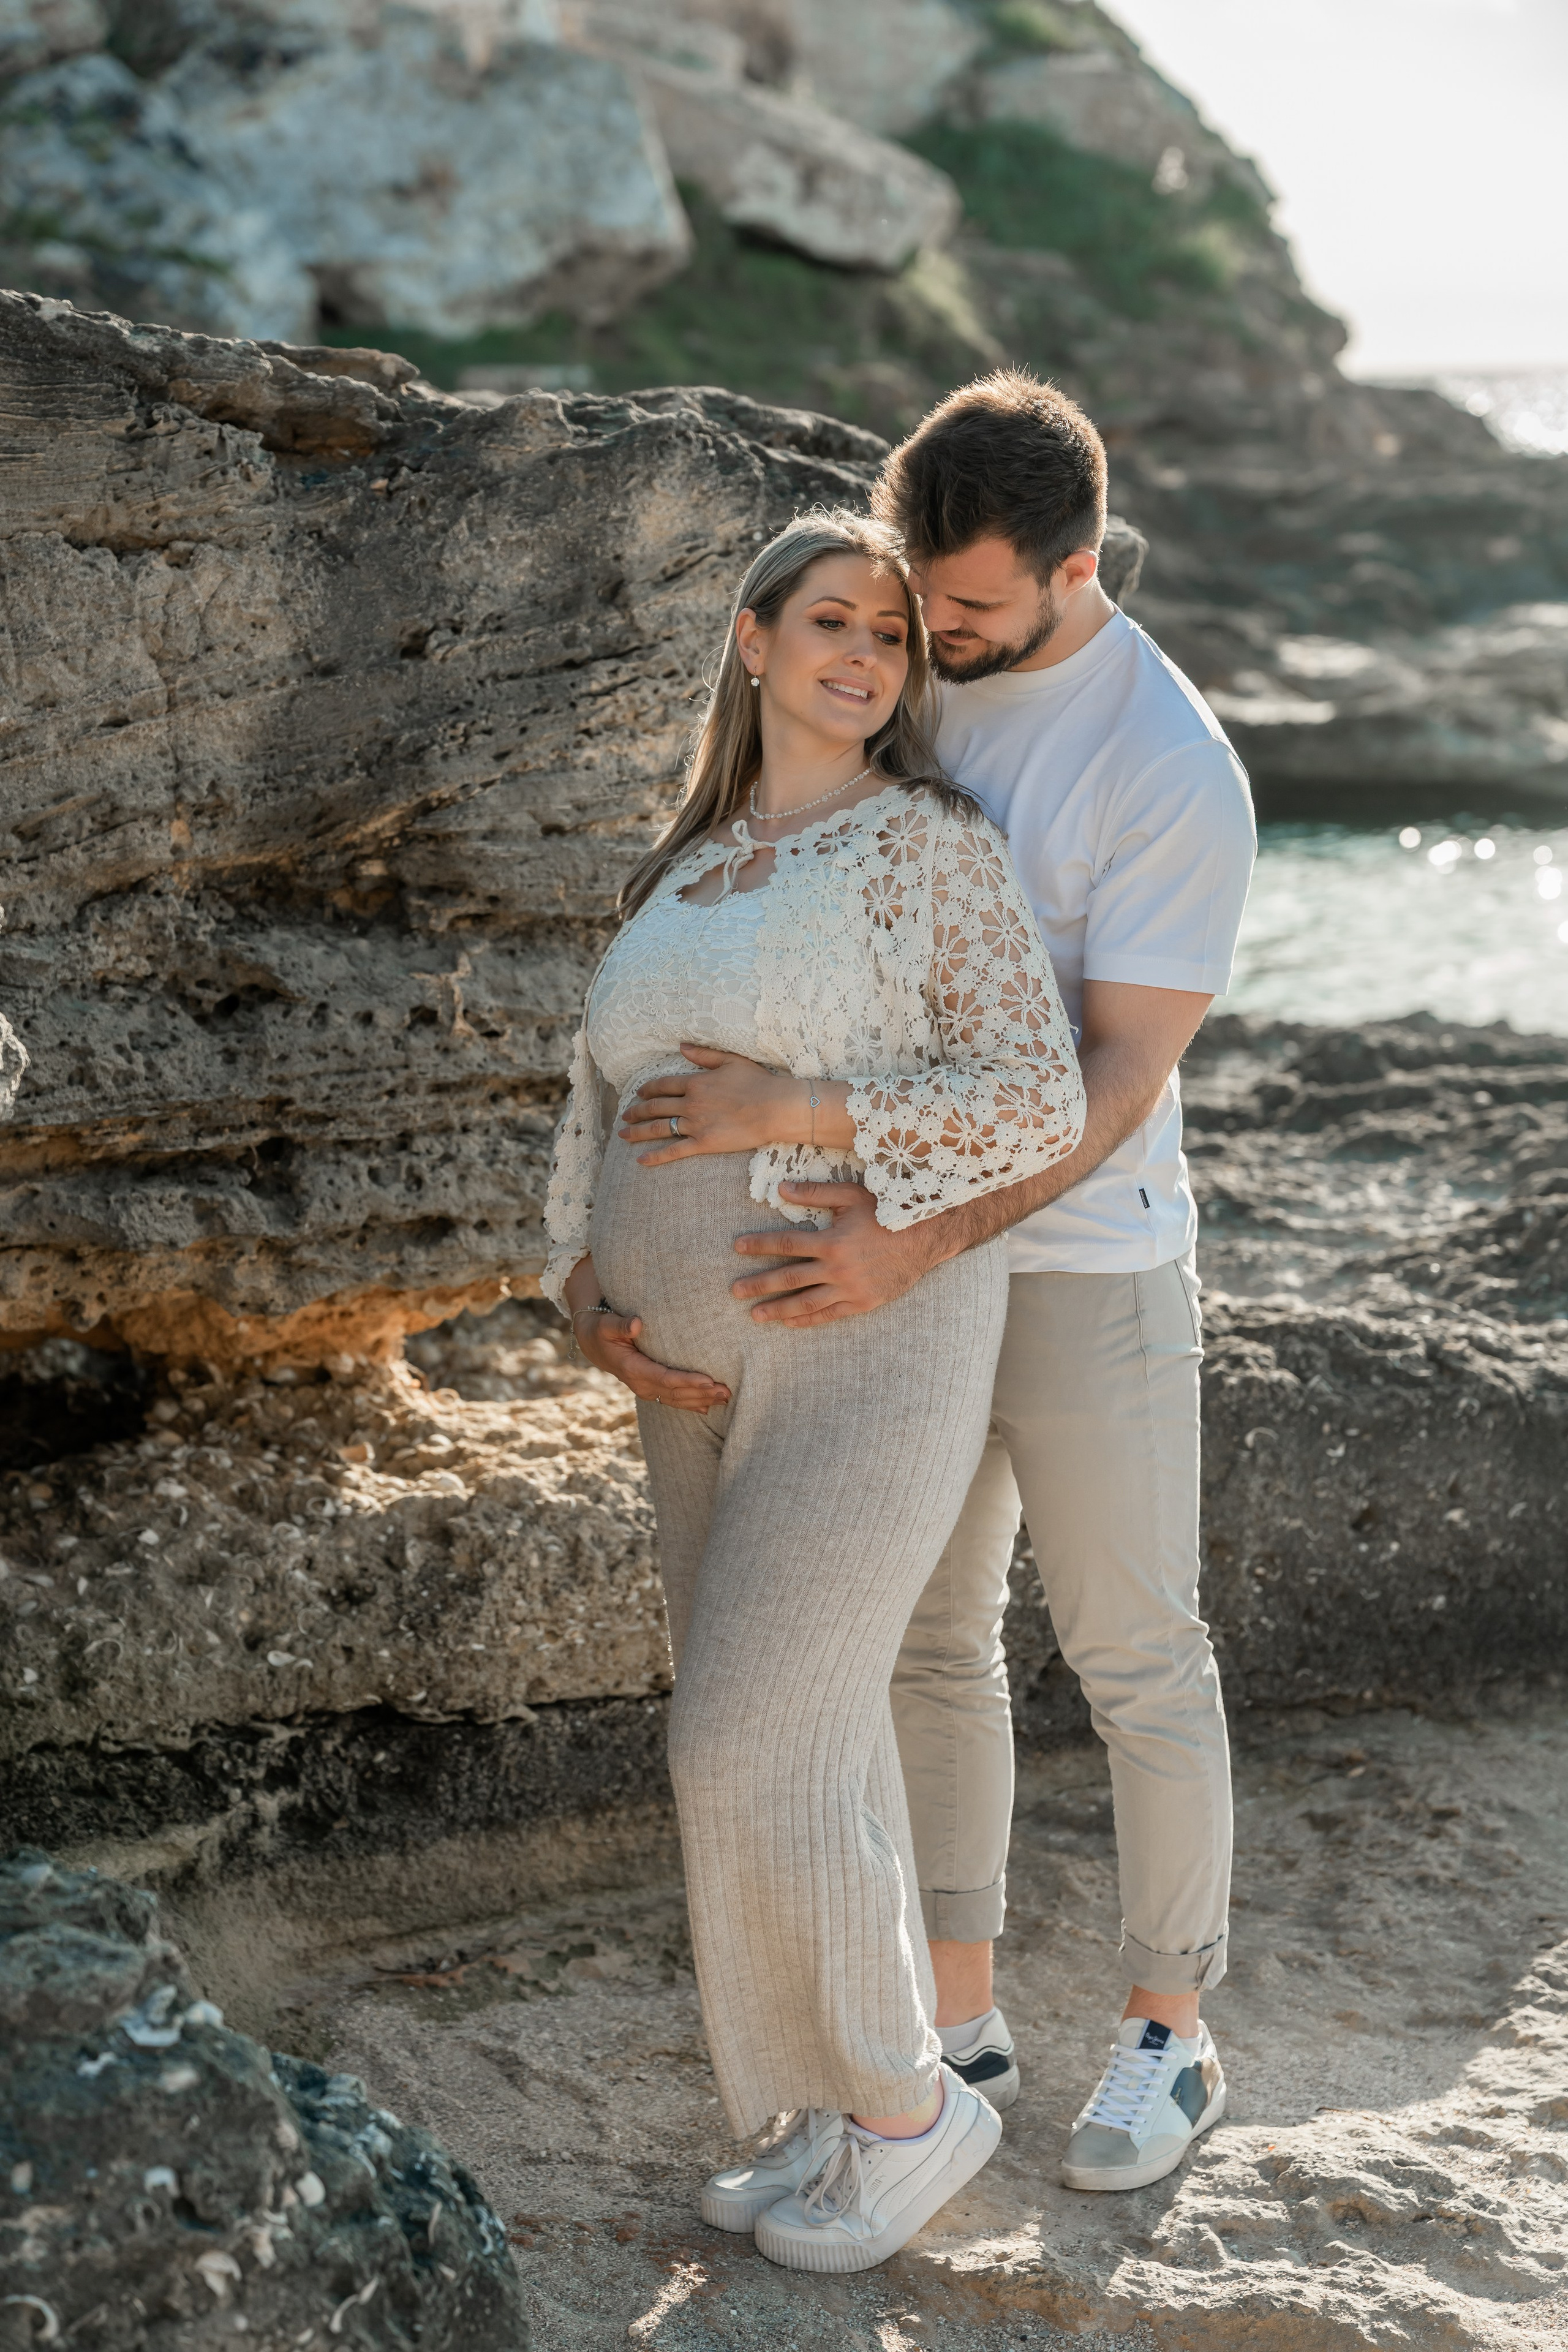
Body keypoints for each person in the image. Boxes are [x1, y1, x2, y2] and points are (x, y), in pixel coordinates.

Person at [703, 372, 1257, 2194]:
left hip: (1082, 1262)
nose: (934, 639)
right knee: (930, 1643)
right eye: (924, 602)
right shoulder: (919, 660)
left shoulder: (1167, 765)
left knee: (1134, 1651)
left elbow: (1111, 1087)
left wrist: (913, 1233)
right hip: (901, 1258)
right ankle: (958, 2020)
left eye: (975, 612)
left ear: (1080, 567)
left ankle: (1171, 2038)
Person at [541, 507, 1086, 2269]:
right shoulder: (681, 868)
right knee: (809, 1742)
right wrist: (578, 1292)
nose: (867, 654)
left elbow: (1032, 1096)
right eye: (833, 622)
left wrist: (798, 1113)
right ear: (755, 640)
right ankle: (832, 2111)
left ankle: (919, 2111)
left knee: (745, 1738)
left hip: (869, 1334)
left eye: (894, 636)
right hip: (688, 1374)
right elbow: (586, 1112)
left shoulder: (928, 848)